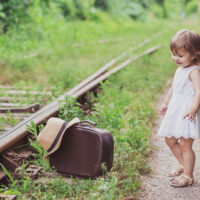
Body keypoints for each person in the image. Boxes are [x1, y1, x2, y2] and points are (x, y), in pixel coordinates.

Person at [157, 29, 200, 187]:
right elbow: (174, 88)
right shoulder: (180, 69)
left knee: (185, 143)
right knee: (169, 138)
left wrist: (193, 109)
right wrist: (166, 103)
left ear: (195, 54)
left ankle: (188, 175)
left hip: (187, 111)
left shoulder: (194, 71)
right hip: (176, 108)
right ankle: (182, 163)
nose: (175, 58)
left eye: (180, 56)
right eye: (174, 54)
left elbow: (198, 91)